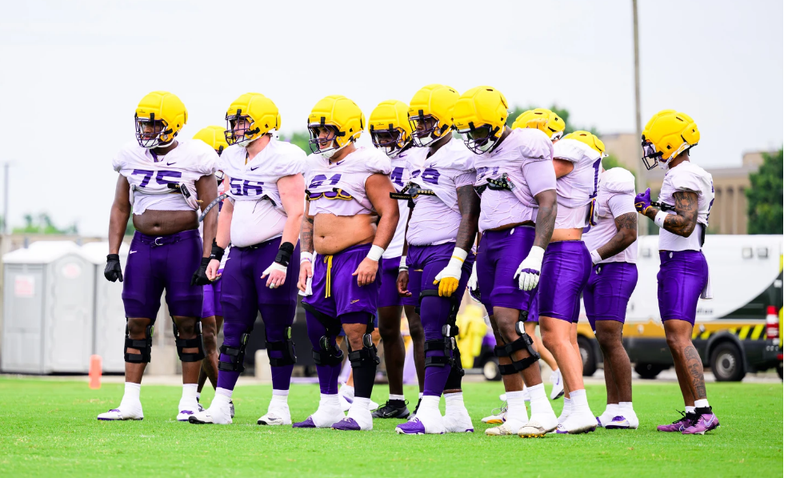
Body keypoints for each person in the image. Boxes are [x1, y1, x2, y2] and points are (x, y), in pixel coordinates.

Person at [98, 91, 219, 421]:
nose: (146, 131)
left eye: (154, 124)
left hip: (183, 245)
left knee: (186, 322)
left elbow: (211, 209)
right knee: (136, 322)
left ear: (174, 125)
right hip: (143, 246)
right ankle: (130, 401)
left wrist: (209, 256)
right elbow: (121, 206)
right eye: (144, 124)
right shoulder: (129, 156)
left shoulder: (197, 156)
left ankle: (189, 400)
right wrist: (113, 253)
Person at [189, 93, 306, 425]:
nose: (238, 128)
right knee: (234, 332)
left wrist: (284, 259)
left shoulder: (283, 159)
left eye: (244, 122)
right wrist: (216, 254)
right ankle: (222, 404)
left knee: (277, 331)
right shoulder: (231, 157)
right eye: (236, 122)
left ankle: (280, 406)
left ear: (265, 125)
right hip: (239, 257)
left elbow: (296, 212)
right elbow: (228, 208)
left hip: (273, 251)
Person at [452, 85, 559, 438]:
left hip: (519, 235)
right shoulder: (477, 156)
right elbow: (476, 211)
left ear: (497, 121)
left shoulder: (527, 144)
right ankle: (515, 412)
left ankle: (542, 409)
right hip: (491, 241)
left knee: (508, 322)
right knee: (497, 329)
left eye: (478, 129)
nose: (473, 138)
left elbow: (547, 202)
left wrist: (537, 252)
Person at [293, 95, 400, 431]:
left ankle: (362, 411)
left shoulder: (368, 164)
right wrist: (306, 258)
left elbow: (389, 212)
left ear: (349, 131)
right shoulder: (312, 165)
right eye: (318, 130)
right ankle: (328, 407)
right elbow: (308, 218)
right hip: (321, 261)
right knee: (319, 333)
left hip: (355, 256)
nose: (321, 136)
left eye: (328, 130)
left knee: (357, 333)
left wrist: (373, 256)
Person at [394, 84, 478, 435]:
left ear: (446, 120)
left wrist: (457, 262)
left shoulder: (459, 156)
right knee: (437, 329)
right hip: (416, 251)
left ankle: (429, 411)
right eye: (417, 120)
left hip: (445, 249)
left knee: (434, 327)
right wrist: (401, 260)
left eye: (427, 120)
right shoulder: (421, 156)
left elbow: (469, 214)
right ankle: (457, 411)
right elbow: (413, 211)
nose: (420, 127)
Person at [635, 109, 719, 435]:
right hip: (676, 262)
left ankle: (705, 411)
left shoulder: (684, 175)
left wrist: (648, 211)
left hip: (683, 262)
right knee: (674, 340)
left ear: (671, 142)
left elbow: (684, 225)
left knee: (680, 339)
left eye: (656, 145)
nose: (652, 152)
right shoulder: (681, 174)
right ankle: (692, 411)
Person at [534, 130, 605, 434]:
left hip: (564, 252)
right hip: (571, 253)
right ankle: (574, 406)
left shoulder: (570, 153)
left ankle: (581, 406)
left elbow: (536, 178)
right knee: (567, 337)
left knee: (552, 336)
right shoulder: (584, 163)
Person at [367, 99, 425, 419]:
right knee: (388, 329)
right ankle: (396, 399)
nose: (384, 143)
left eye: (390, 135)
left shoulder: (421, 158)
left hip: (412, 251)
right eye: (379, 136)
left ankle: (426, 400)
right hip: (384, 252)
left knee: (417, 327)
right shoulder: (375, 162)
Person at [579, 135, 639, 429]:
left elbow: (628, 232)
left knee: (610, 338)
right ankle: (613, 406)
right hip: (595, 270)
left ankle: (626, 408)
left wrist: (593, 256)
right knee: (603, 341)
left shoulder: (613, 182)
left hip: (615, 267)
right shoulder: (581, 188)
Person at [192, 125, 235, 418]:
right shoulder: (191, 181)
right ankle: (223, 400)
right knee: (207, 334)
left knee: (215, 334)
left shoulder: (235, 180)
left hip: (226, 263)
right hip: (198, 264)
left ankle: (196, 395)